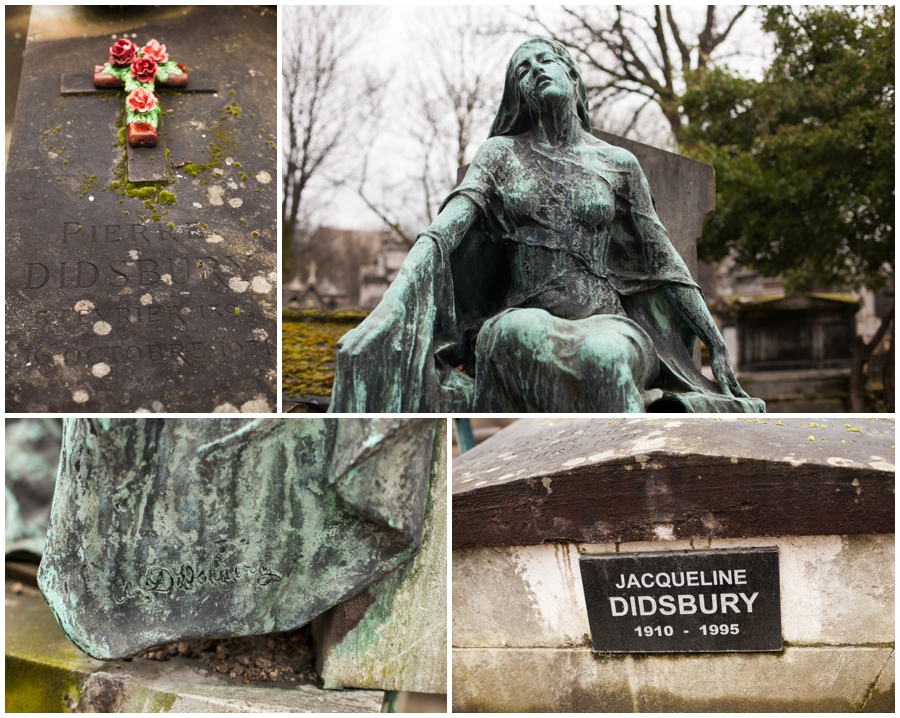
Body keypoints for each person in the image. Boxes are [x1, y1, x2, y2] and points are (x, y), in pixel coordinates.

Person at [329, 38, 764, 414]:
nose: (535, 71)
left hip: (607, 321)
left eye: (544, 61)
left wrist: (716, 342)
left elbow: (665, 262)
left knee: (607, 357)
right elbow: (445, 230)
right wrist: (389, 310)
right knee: (523, 333)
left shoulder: (619, 164)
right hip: (522, 314)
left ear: (572, 76)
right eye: (523, 69)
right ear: (517, 93)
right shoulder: (501, 154)